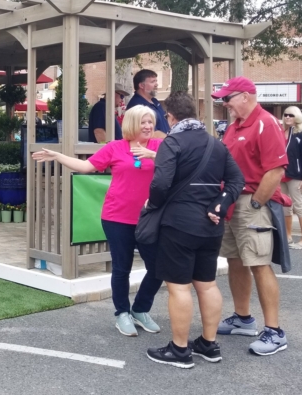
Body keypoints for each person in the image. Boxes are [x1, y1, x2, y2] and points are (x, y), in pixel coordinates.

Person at [33, 106, 163, 337]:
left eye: (150, 122)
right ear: (132, 123)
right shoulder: (115, 147)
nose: (148, 126)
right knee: (121, 268)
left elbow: (183, 164)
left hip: (150, 218)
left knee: (158, 267)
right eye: (143, 122)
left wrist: (154, 156)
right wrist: (58, 156)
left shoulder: (160, 146)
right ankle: (122, 313)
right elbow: (86, 167)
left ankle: (140, 310)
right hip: (117, 217)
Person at [144, 92, 244, 369]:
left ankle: (179, 350)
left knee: (179, 287)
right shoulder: (216, 144)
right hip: (211, 225)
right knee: (207, 284)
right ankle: (208, 344)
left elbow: (161, 183)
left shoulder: (172, 141)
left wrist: (152, 204)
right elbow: (237, 180)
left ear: (170, 117)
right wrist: (220, 204)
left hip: (179, 224)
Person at [212, 76, 289, 356]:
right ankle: (243, 318)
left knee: (258, 263)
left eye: (227, 98)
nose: (225, 104)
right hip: (234, 201)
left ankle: (274, 331)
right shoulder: (235, 125)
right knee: (236, 260)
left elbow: (276, 170)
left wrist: (256, 203)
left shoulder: (265, 122)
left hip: (251, 202)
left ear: (244, 96)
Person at [281, 106, 302, 249]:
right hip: (281, 175)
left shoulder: (300, 134)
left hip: (296, 175)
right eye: (286, 114)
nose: (288, 117)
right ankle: (288, 236)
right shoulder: (280, 132)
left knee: (299, 206)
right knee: (285, 207)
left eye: (291, 115)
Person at [127, 70, 170, 138]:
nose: (156, 84)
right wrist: (171, 141)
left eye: (156, 81)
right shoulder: (137, 106)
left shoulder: (155, 101)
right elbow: (150, 133)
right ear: (141, 85)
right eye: (152, 82)